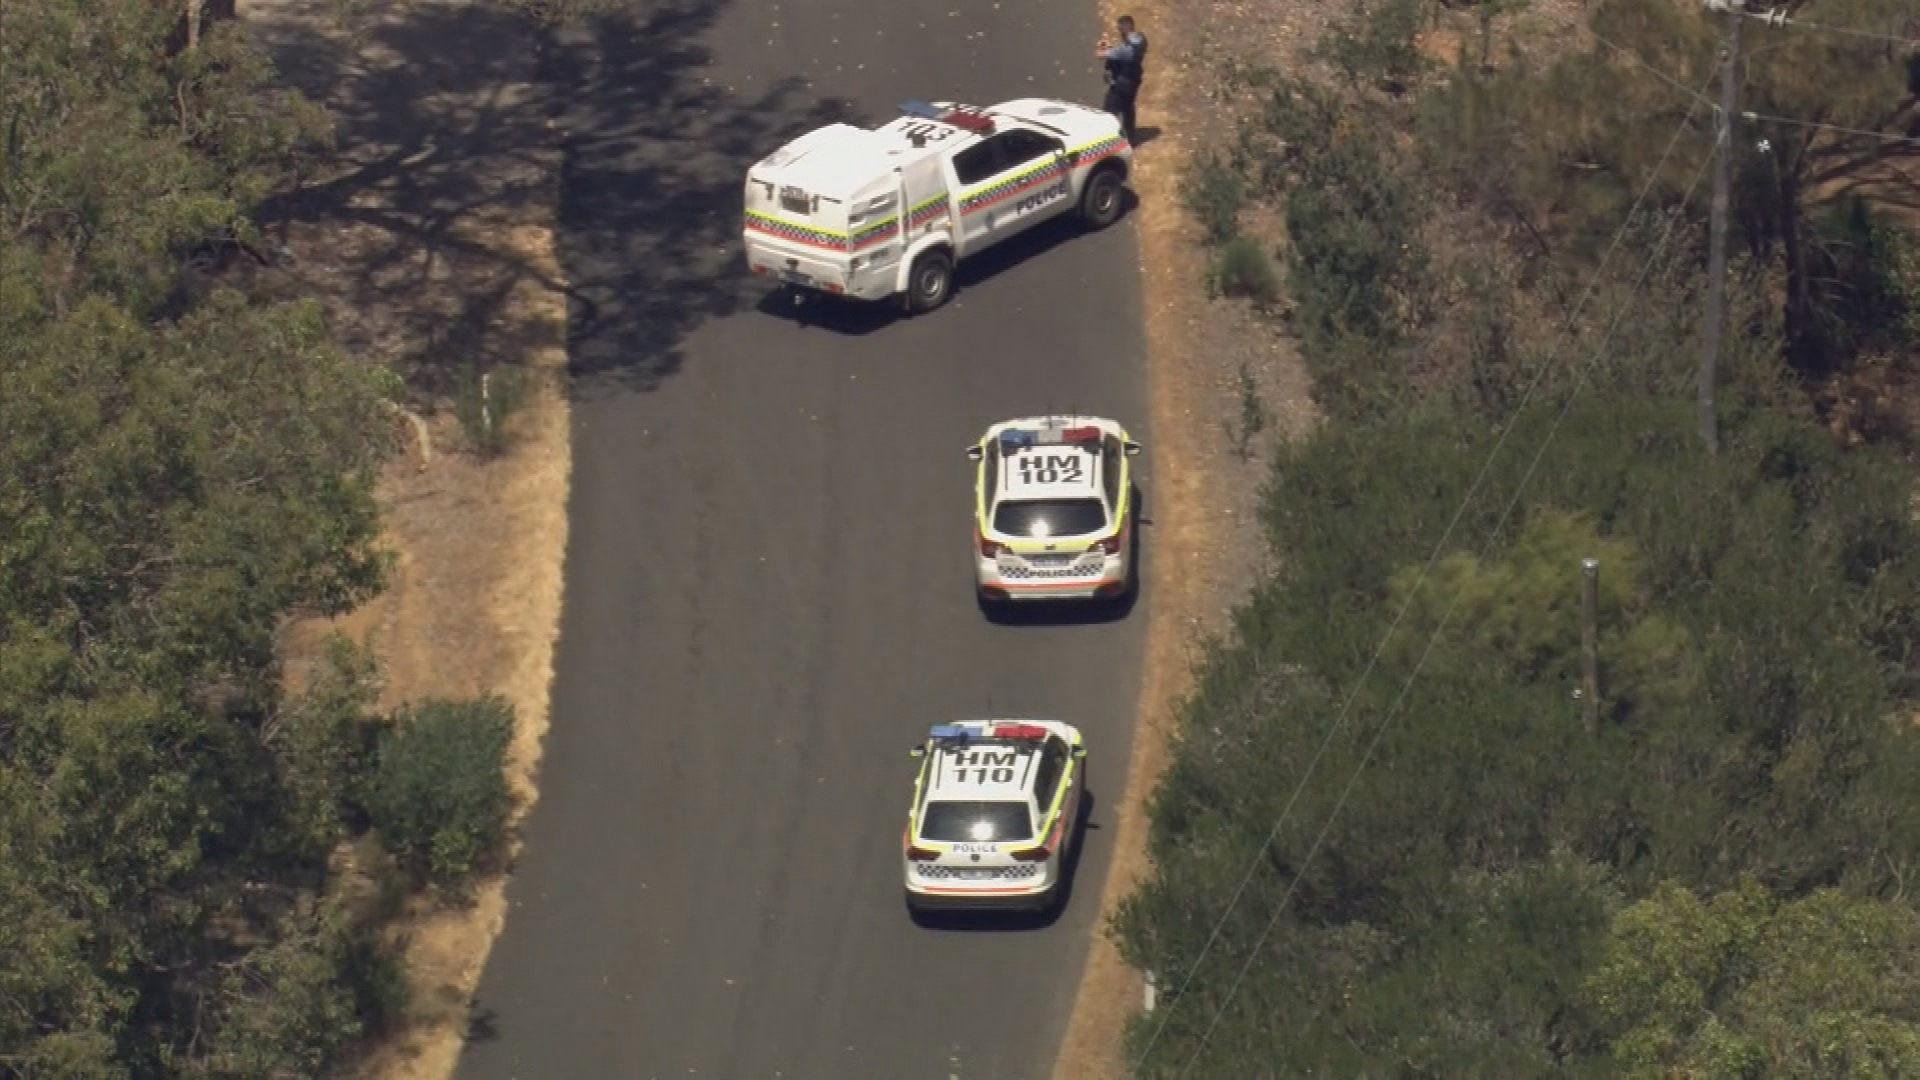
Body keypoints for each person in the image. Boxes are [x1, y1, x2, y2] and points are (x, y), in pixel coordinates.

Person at [1095, 15, 1147, 144]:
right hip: (1133, 81)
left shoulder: (1125, 51)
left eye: (1119, 29)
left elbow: (1099, 55)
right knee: (1128, 108)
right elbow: (1121, 51)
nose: (1119, 32)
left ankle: (1106, 141)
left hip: (1121, 84)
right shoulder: (1141, 39)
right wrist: (1111, 47)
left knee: (1109, 112)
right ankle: (1130, 136)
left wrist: (1101, 46)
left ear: (1124, 29)